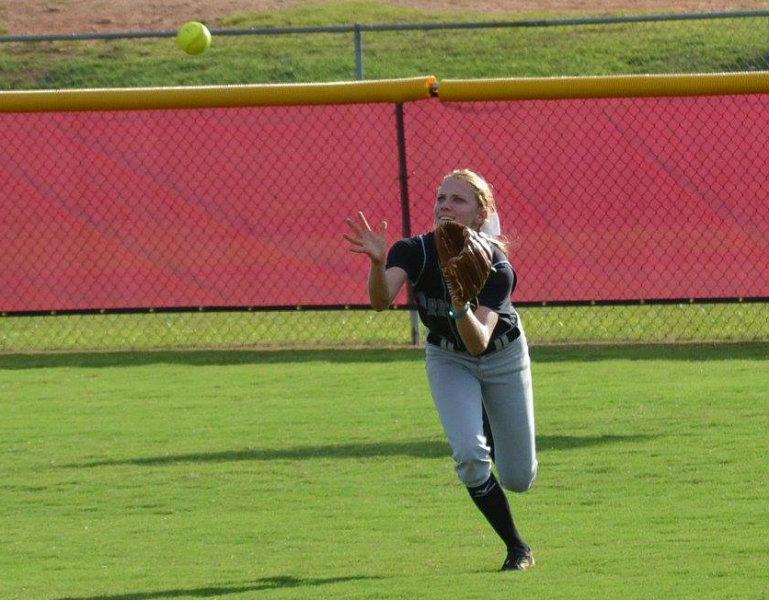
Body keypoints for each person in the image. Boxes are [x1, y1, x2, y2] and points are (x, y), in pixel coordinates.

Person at [343, 168, 538, 572]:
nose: (446, 206)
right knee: (469, 455)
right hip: (449, 358)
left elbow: (479, 340)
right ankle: (517, 548)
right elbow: (381, 302)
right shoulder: (414, 251)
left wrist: (460, 302)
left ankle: (486, 416)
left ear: (480, 213)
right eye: (441, 198)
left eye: (458, 200)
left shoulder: (496, 266)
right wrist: (378, 264)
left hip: (500, 356)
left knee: (519, 477)